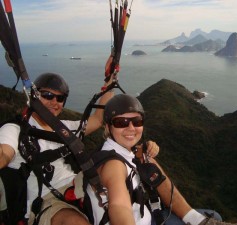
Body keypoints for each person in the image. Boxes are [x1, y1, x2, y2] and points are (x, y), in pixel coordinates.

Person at [0, 73, 159, 225]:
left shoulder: (65, 128)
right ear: (34, 97)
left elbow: (97, 120)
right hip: (46, 199)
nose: (54, 102)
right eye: (48, 95)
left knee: (132, 163)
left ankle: (179, 214)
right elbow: (4, 154)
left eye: (60, 98)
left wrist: (110, 81)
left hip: (76, 184)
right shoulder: (15, 130)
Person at [87, 94, 237, 225]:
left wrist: (145, 150)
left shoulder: (125, 152)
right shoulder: (113, 165)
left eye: (137, 121)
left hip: (149, 218)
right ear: (108, 127)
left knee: (214, 216)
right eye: (121, 122)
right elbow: (119, 206)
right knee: (215, 216)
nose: (131, 128)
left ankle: (195, 219)